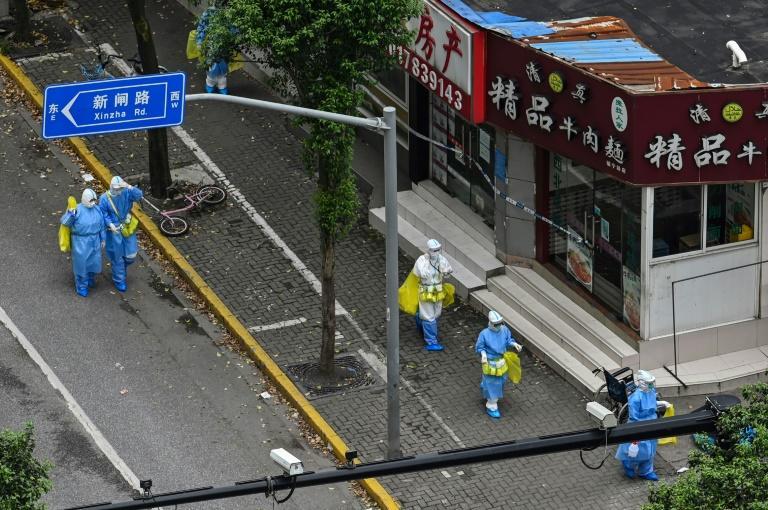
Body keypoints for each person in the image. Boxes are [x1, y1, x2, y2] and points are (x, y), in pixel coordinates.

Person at [475, 310, 523, 419]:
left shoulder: (504, 330)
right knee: (493, 383)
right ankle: (491, 405)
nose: (498, 326)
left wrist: (514, 344)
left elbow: (508, 340)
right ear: (491, 323)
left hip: (502, 362)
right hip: (490, 362)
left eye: (500, 323)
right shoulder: (484, 334)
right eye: (496, 324)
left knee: (501, 380)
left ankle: (486, 386)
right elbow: (480, 347)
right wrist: (483, 355)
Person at [99, 176, 143, 292]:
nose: (118, 191)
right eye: (116, 188)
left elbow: (139, 195)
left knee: (131, 255)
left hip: (127, 228)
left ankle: (120, 269)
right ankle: (119, 279)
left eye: (120, 188)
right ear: (111, 187)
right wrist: (110, 224)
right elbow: (103, 213)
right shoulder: (104, 198)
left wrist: (129, 186)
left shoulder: (126, 193)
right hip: (114, 232)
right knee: (117, 257)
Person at [60, 189, 105, 297]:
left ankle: (90, 278)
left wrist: (103, 238)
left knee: (94, 261)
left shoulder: (97, 210)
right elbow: (65, 222)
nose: (93, 203)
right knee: (81, 264)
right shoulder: (77, 210)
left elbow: (102, 225)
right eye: (91, 200)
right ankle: (81, 285)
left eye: (94, 200)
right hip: (81, 242)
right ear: (85, 199)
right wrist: (71, 214)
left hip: (94, 240)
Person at [615, 370, 660, 481]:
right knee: (634, 450)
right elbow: (634, 417)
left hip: (652, 424)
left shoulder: (651, 391)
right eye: (649, 383)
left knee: (650, 450)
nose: (651, 385)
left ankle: (646, 471)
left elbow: (653, 406)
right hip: (639, 425)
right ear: (642, 382)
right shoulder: (635, 398)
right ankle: (628, 466)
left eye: (651, 382)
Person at [413, 239, 452, 351]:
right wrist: (422, 271)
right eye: (434, 250)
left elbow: (447, 270)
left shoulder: (441, 259)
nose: (436, 252)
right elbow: (417, 272)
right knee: (429, 317)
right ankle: (431, 341)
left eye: (438, 249)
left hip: (438, 290)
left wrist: (447, 271)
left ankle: (420, 319)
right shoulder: (422, 260)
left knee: (436, 314)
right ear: (429, 250)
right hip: (426, 290)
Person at [196, 1, 230, 94]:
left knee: (223, 65)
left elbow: (233, 29)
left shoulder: (229, 13)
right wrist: (200, 41)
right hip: (211, 43)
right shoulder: (209, 12)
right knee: (211, 64)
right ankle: (210, 83)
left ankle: (222, 85)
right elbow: (202, 27)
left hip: (224, 44)